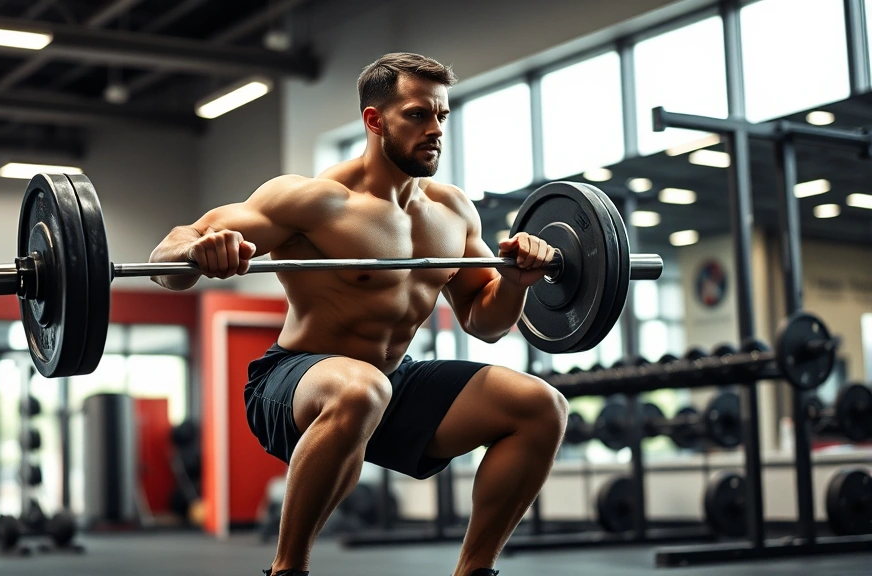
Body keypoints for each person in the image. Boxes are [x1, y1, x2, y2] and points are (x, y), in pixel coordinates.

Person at [149, 52, 568, 576]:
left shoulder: (452, 211)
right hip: (294, 381)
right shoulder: (313, 200)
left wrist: (516, 281)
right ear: (375, 120)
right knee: (361, 389)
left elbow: (485, 323)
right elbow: (166, 257)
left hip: (392, 381)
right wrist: (198, 252)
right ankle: (287, 569)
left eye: (441, 115)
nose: (435, 129)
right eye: (417, 115)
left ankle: (474, 571)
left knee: (540, 406)